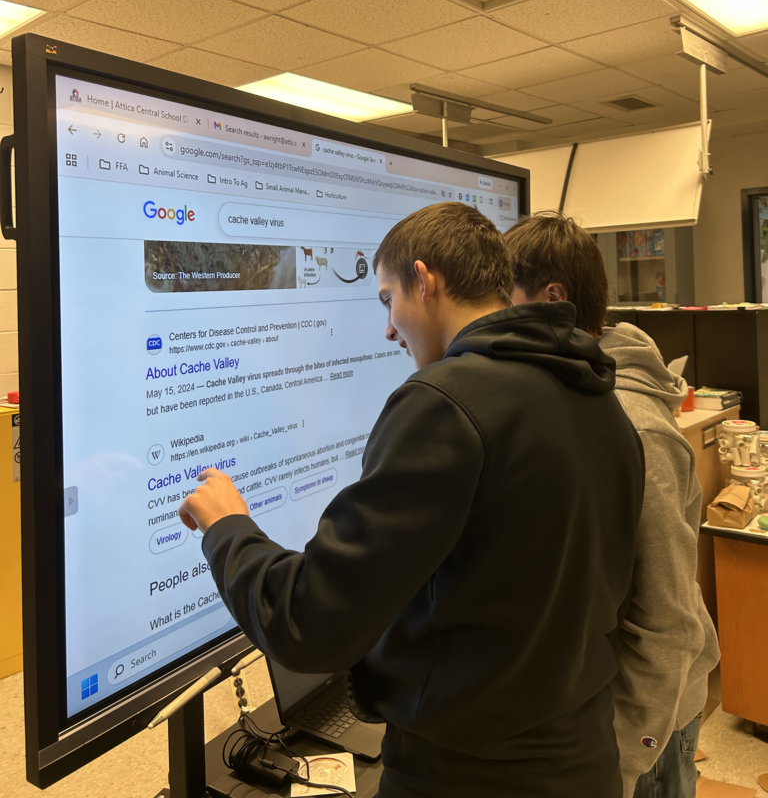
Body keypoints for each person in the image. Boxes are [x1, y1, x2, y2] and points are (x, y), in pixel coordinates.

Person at [179, 202, 644, 798]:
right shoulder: (595, 394)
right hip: (580, 760)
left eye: (387, 300)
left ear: (424, 281)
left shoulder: (444, 401)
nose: (389, 329)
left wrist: (228, 528)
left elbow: (309, 624)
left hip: (469, 777)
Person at [504, 212, 720, 798]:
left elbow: (668, 623)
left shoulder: (632, 425)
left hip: (646, 724)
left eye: (506, 300)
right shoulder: (580, 389)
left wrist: (623, 761)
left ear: (553, 297)